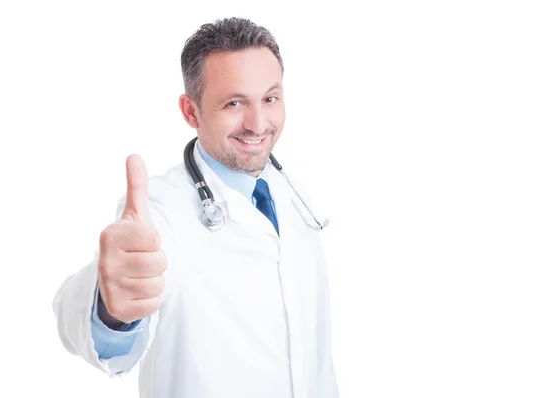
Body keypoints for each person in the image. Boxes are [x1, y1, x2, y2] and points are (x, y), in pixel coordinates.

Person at [52, 17, 339, 398]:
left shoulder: (293, 194)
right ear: (191, 112)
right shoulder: (159, 210)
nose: (258, 123)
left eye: (269, 99)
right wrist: (109, 310)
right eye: (234, 103)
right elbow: (83, 319)